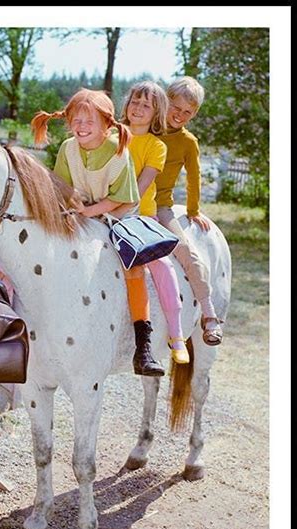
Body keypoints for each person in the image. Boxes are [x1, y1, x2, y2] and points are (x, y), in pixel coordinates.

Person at [31, 88, 165, 377]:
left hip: (119, 213)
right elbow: (63, 188)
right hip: (84, 209)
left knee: (134, 267)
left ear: (107, 125)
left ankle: (143, 345)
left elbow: (122, 198)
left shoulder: (119, 152)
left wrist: (90, 212)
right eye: (76, 120)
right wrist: (74, 205)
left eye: (89, 121)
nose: (81, 127)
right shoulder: (68, 148)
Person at [121, 80, 189, 364]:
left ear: (156, 112)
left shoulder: (156, 146)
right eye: (135, 101)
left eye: (145, 105)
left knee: (160, 264)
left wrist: (115, 211)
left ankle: (176, 333)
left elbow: (138, 189)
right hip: (104, 213)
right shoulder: (112, 135)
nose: (138, 108)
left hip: (139, 217)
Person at [155, 76, 223, 345]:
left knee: (186, 252)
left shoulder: (188, 142)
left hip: (160, 207)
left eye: (188, 113)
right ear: (165, 101)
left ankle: (209, 313)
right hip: (127, 202)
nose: (180, 116)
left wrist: (193, 210)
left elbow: (194, 178)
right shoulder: (146, 128)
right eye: (176, 108)